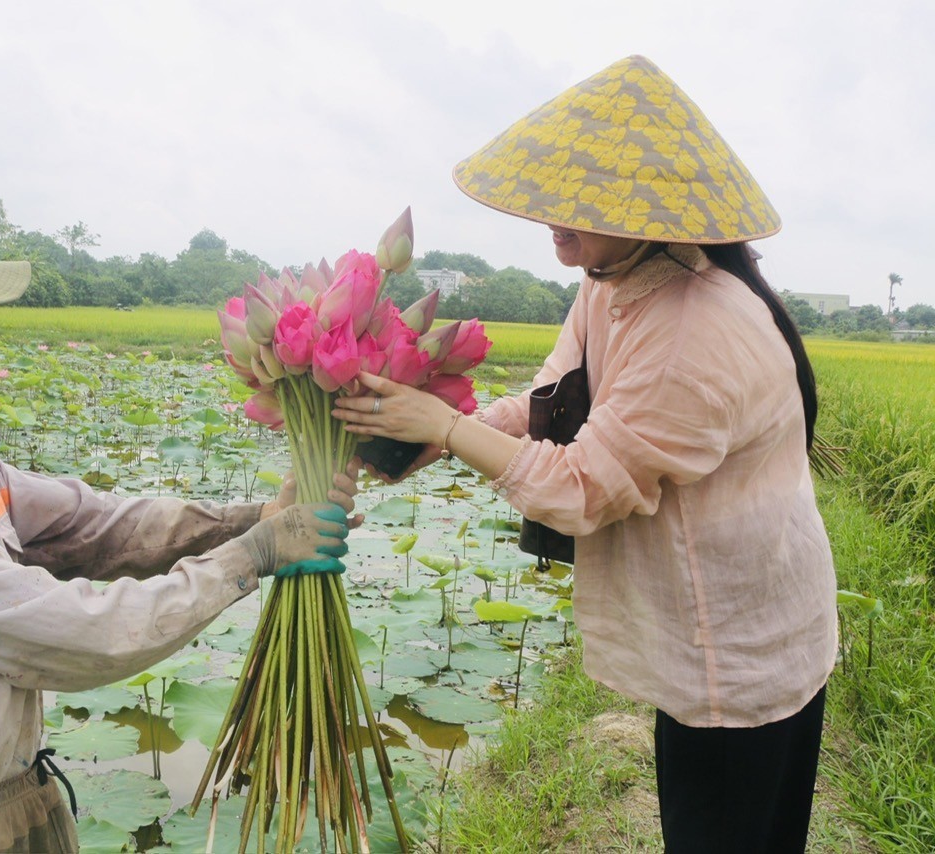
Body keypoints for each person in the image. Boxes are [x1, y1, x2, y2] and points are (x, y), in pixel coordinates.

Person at [334, 55, 836, 853]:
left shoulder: (693, 325)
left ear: (648, 213)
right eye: (554, 199)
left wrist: (447, 422)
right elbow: (548, 406)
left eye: (582, 203)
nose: (554, 219)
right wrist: (410, 440)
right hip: (709, 627)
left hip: (741, 643)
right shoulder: (611, 277)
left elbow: (582, 489)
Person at [0, 214, 359, 853]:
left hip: (14, 800)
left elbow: (94, 524)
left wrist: (248, 519)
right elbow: (85, 634)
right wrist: (253, 556)